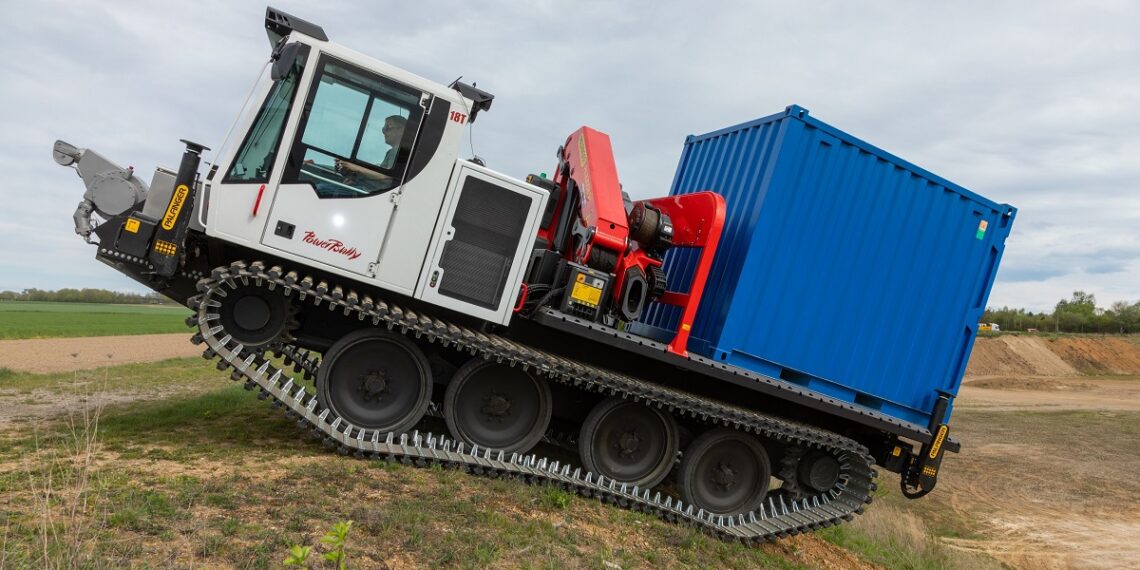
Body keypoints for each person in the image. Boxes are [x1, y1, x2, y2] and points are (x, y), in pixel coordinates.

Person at [335, 115, 406, 184]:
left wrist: (355, 168)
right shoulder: (391, 152)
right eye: (383, 129)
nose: (384, 132)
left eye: (387, 128)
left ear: (401, 130)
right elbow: (382, 175)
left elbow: (388, 178)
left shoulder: (398, 152)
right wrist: (351, 170)